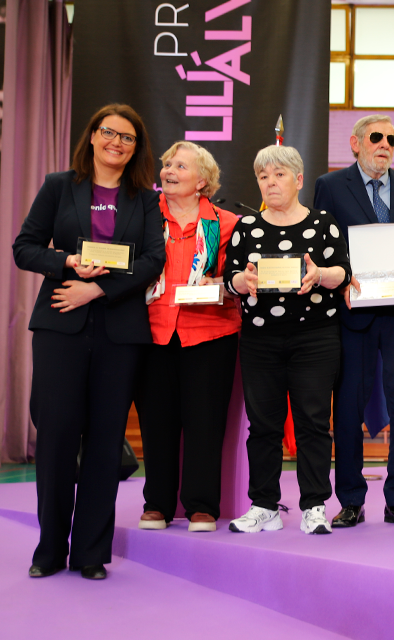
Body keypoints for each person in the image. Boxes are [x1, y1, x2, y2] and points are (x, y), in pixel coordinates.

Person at [13, 104, 164, 579]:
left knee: (103, 444)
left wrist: (96, 287)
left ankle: (91, 553)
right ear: (93, 137)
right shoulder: (60, 185)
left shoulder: (143, 198)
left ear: (136, 148)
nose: (117, 143)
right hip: (61, 325)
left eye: (128, 138)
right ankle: (49, 551)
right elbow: (25, 247)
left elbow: (152, 260)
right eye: (109, 133)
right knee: (56, 439)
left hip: (120, 331)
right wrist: (67, 267)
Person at [313, 115, 394, 529]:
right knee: (346, 409)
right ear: (355, 143)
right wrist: (341, 277)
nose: (386, 144)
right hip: (353, 313)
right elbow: (321, 245)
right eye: (376, 137)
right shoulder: (329, 186)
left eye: (392, 139)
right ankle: (350, 500)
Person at [225, 145, 351, 535]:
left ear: (298, 180)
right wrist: (241, 281)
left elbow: (343, 272)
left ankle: (315, 505)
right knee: (263, 426)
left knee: (313, 423)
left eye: (279, 175)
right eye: (263, 176)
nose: (270, 182)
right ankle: (264, 504)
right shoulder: (246, 227)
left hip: (315, 338)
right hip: (260, 339)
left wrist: (320, 275)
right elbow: (230, 278)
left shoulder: (323, 223)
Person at [135, 141, 240, 533]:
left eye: (180, 165)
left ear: (203, 180)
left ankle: (201, 505)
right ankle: (157, 503)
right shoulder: (144, 215)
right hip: (152, 332)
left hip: (210, 332)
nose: (169, 170)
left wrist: (224, 283)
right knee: (156, 421)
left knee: (205, 422)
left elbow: (236, 279)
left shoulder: (226, 223)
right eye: (166, 164)